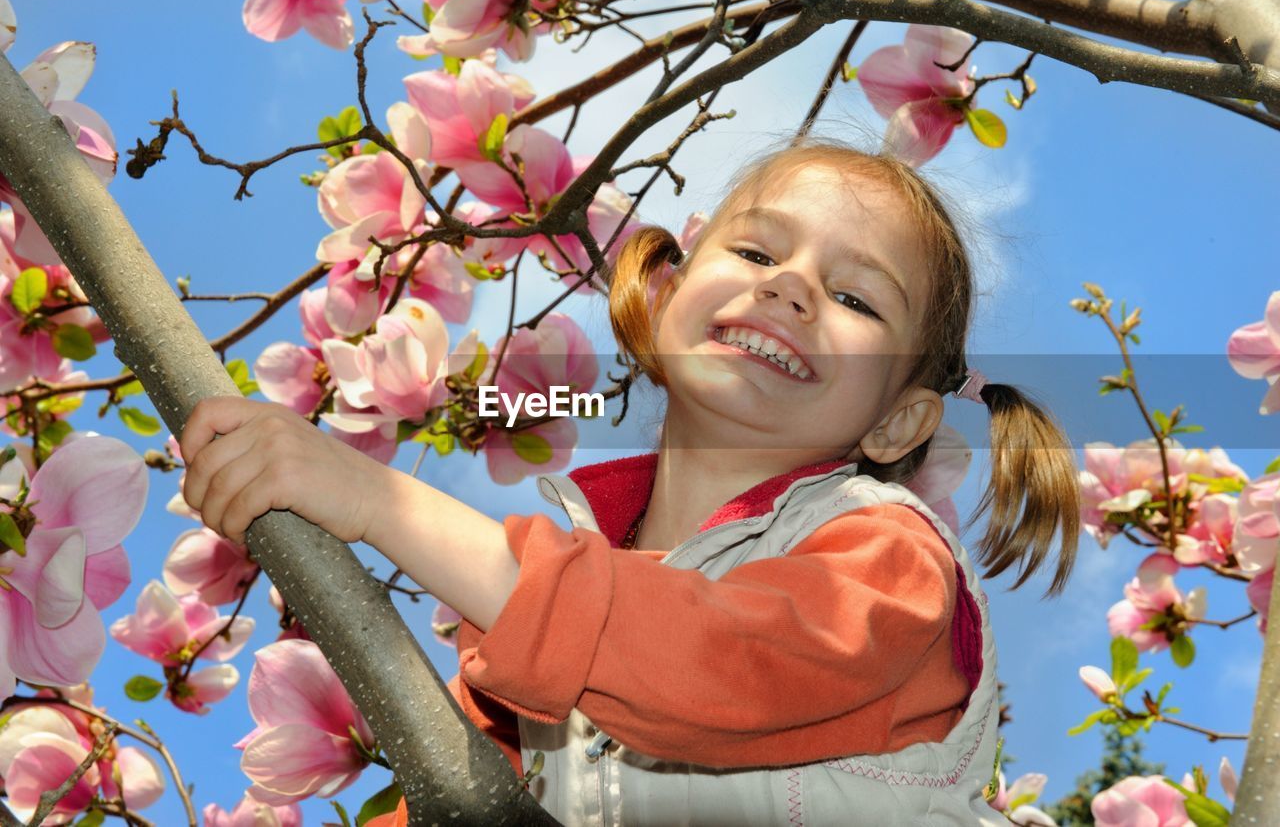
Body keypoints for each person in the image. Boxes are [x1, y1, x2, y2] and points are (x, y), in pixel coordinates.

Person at [180, 139, 1082, 825]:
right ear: (663, 292)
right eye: (759, 254)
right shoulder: (552, 607)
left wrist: (380, 501)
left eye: (856, 300)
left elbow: (716, 660)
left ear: (900, 421)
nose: (792, 288)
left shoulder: (888, 554)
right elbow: (456, 790)